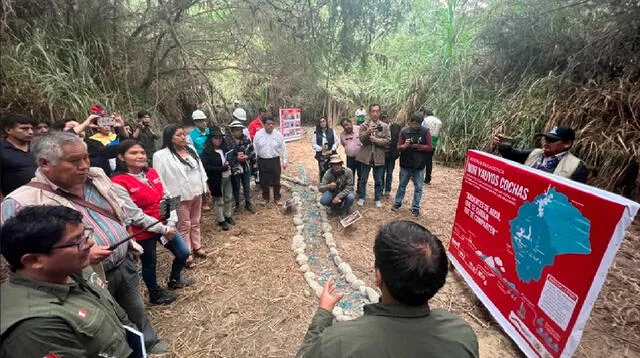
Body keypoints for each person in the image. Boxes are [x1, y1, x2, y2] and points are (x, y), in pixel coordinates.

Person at [1, 131, 168, 353]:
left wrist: (127, 241)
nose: (83, 165)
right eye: (74, 160)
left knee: (129, 309)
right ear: (44, 163)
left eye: (86, 157)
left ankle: (146, 344)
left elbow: (119, 210)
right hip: (84, 274)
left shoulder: (97, 177)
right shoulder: (21, 202)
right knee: (94, 319)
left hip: (123, 262)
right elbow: (17, 250)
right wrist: (83, 257)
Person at [297, 220, 479, 358]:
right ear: (439, 279)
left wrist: (323, 313)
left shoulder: (337, 343)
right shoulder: (462, 335)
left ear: (378, 276)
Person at [0, 206, 135, 358]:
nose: (90, 243)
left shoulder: (73, 270)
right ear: (34, 260)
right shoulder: (36, 329)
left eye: (84, 234)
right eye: (76, 241)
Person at [111, 140, 194, 305]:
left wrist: (170, 223)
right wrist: (163, 229)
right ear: (121, 157)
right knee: (149, 263)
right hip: (143, 230)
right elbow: (135, 215)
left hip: (165, 225)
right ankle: (155, 294)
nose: (140, 156)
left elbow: (168, 196)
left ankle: (174, 279)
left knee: (183, 253)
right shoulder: (118, 182)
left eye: (141, 152)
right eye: (133, 153)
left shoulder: (153, 173)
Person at [153, 125, 210, 267]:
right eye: (178, 135)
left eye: (184, 134)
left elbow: (200, 169)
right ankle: (186, 252)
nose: (183, 137)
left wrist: (205, 185)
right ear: (170, 138)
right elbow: (159, 178)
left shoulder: (191, 149)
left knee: (196, 221)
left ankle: (197, 246)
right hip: (176, 195)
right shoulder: (161, 155)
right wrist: (165, 200)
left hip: (196, 190)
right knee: (183, 225)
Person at [493, 126, 588, 183]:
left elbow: (575, 199)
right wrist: (503, 146)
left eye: (552, 140)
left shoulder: (577, 166)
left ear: (567, 144)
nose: (546, 142)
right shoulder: (535, 153)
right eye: (546, 139)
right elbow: (512, 155)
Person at [392, 112, 433, 216]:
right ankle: (397, 203)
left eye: (418, 124)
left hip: (419, 165)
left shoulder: (425, 131)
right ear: (410, 122)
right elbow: (398, 147)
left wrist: (418, 146)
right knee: (402, 185)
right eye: (413, 123)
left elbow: (429, 147)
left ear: (421, 123)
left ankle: (415, 207)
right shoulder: (404, 131)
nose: (415, 126)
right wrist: (404, 145)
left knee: (418, 188)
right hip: (405, 163)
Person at [356, 104, 391, 208]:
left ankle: (377, 199)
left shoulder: (384, 126)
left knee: (379, 180)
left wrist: (376, 140)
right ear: (369, 112)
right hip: (365, 156)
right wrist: (368, 132)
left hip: (378, 157)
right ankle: (362, 197)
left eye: (377, 111)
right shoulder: (364, 125)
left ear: (379, 112)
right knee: (363, 179)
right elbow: (361, 139)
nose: (375, 113)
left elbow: (388, 140)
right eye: (373, 111)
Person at [201, 127, 235, 231]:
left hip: (227, 176)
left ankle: (228, 215)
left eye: (220, 138)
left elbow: (232, 158)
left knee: (228, 197)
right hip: (216, 179)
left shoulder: (225, 149)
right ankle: (221, 219)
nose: (218, 140)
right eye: (216, 138)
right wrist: (220, 169)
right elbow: (206, 167)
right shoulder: (207, 152)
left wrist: (230, 163)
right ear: (211, 139)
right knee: (219, 200)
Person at [253, 116, 288, 205]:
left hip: (275, 160)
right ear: (264, 125)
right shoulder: (258, 134)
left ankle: (277, 198)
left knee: (276, 180)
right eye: (268, 124)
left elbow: (283, 148)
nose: (271, 126)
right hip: (262, 160)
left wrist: (284, 161)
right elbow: (255, 148)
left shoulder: (278, 135)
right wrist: (255, 161)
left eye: (272, 124)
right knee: (264, 181)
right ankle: (265, 198)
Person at [0, 114, 37, 197]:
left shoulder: (38, 147)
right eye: (24, 128)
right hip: (14, 200)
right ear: (9, 130)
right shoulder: (2, 149)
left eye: (31, 128)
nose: (30, 132)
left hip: (41, 198)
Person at [228, 120, 255, 213]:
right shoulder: (228, 141)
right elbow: (227, 155)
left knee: (246, 184)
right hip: (234, 167)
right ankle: (237, 203)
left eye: (240, 129)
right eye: (236, 130)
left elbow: (252, 151)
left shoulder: (246, 139)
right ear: (232, 130)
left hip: (245, 165)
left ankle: (248, 202)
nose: (238, 131)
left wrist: (248, 157)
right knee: (236, 185)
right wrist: (236, 158)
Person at [381, 110, 402, 198]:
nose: (384, 119)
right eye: (382, 118)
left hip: (392, 155)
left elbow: (399, 139)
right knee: (381, 173)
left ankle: (387, 191)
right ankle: (380, 189)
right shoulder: (379, 127)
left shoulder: (396, 127)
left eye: (386, 117)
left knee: (389, 173)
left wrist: (398, 150)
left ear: (389, 117)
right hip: (381, 154)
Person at [312, 116, 339, 181]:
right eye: (321, 122)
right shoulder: (316, 133)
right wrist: (321, 148)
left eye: (324, 121)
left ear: (326, 122)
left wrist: (332, 149)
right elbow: (313, 144)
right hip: (322, 156)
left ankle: (334, 185)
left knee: (334, 170)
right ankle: (323, 186)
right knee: (323, 171)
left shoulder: (332, 131)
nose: (322, 123)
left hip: (332, 154)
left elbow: (337, 141)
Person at [339, 118, 362, 191]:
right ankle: (350, 190)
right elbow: (343, 144)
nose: (346, 127)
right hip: (350, 158)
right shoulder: (342, 134)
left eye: (347, 124)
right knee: (350, 175)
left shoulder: (359, 129)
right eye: (343, 126)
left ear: (351, 123)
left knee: (361, 175)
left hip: (361, 157)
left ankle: (360, 191)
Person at [422, 108, 442, 185]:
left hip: (425, 141)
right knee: (429, 160)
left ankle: (419, 177)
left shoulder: (425, 120)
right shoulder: (439, 122)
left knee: (422, 159)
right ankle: (427, 179)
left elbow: (422, 130)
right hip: (434, 142)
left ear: (425, 114)